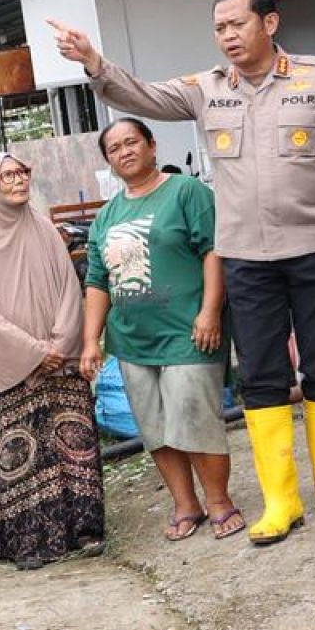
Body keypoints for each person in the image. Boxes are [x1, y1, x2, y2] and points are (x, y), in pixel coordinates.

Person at [49, 0, 315, 547]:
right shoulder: (207, 90)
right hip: (247, 259)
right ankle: (281, 499)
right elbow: (147, 97)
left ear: (269, 22)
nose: (227, 35)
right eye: (219, 26)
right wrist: (94, 62)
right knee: (260, 376)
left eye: (237, 23)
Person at [79, 119, 241, 541]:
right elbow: (97, 281)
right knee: (154, 426)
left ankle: (219, 501)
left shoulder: (186, 191)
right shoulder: (106, 217)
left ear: (152, 146)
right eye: (114, 148)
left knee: (194, 415)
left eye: (132, 142)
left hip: (188, 331)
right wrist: (91, 341)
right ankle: (186, 504)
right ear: (108, 161)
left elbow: (214, 251)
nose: (124, 152)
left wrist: (210, 311)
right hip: (131, 339)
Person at [0, 154, 107, 569]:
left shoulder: (44, 227)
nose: (17, 180)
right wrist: (33, 351)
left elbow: (68, 286)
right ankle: (34, 541)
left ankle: (84, 528)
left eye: (21, 172)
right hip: (17, 369)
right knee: (22, 452)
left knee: (73, 443)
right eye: (6, 175)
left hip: (60, 360)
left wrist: (60, 341)